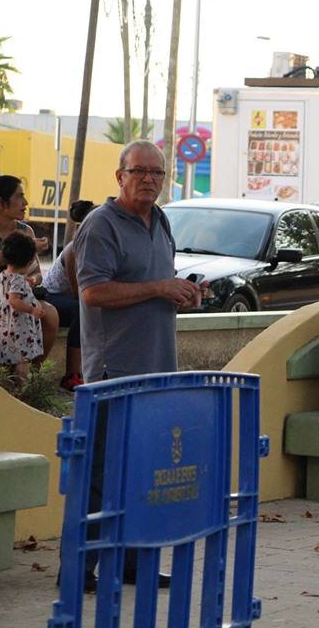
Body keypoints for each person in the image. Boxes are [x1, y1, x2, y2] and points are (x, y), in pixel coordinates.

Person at [70, 139, 205, 591]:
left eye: (157, 173)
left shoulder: (161, 220)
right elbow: (92, 292)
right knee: (100, 474)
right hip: (114, 371)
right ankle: (79, 569)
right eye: (140, 171)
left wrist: (180, 293)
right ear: (120, 176)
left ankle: (131, 564)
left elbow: (156, 285)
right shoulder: (100, 225)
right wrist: (158, 288)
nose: (149, 179)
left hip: (156, 369)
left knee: (144, 471)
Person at [0, 175, 59, 361]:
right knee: (18, 312)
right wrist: (21, 250)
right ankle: (13, 376)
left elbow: (37, 272)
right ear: (0, 202)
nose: (26, 202)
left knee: (50, 314)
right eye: (20, 196)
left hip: (20, 292)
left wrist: (33, 279)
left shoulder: (26, 231)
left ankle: (33, 377)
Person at [42, 200, 96, 390]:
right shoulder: (74, 250)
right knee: (82, 309)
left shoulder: (102, 248)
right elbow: (77, 291)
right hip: (50, 297)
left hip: (72, 299)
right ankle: (72, 375)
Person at [0, 232, 45, 383]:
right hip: (20, 327)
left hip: (7, 325)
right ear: (29, 261)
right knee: (23, 360)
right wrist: (32, 310)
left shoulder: (4, 274)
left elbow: (7, 290)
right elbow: (14, 300)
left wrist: (26, 282)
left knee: (11, 358)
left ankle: (8, 388)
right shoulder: (17, 279)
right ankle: (22, 388)